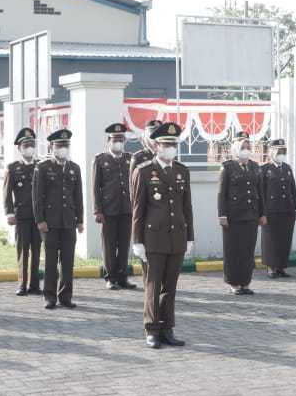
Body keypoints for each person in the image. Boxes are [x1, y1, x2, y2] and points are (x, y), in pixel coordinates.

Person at [130, 121, 193, 347]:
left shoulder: (181, 171)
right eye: (166, 144)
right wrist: (137, 240)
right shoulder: (144, 171)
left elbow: (187, 208)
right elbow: (138, 209)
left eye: (174, 145)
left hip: (176, 236)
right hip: (153, 238)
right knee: (153, 285)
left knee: (170, 286)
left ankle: (167, 328)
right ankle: (152, 329)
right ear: (156, 146)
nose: (170, 149)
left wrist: (190, 237)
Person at [33, 128, 83, 309]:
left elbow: (78, 196)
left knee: (68, 261)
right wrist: (40, 220)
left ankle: (66, 296)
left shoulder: (74, 168)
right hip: (50, 223)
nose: (63, 148)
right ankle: (49, 296)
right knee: (51, 261)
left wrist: (80, 220)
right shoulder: (43, 167)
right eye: (59, 145)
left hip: (68, 221)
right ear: (52, 147)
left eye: (65, 145)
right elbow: (37, 196)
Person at [218, 134, 263, 295]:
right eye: (243, 147)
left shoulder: (255, 167)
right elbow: (222, 194)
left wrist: (262, 213)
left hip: (251, 215)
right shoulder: (228, 167)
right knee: (233, 250)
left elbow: (260, 192)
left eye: (248, 147)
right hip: (233, 216)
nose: (246, 150)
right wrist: (222, 215)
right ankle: (233, 282)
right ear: (235, 149)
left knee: (247, 250)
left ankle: (245, 282)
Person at [93, 122, 136, 290]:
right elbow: (96, 187)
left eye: (120, 139)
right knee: (109, 245)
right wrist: (97, 210)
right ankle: (110, 277)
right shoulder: (100, 160)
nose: (118, 142)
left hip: (126, 208)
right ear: (108, 141)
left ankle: (122, 276)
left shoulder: (129, 159)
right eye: (115, 139)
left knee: (124, 244)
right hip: (108, 209)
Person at [3, 127, 42, 296]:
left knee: (37, 250)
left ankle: (34, 285)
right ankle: (22, 284)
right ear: (19, 148)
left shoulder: (41, 166)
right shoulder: (12, 168)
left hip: (39, 217)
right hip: (21, 216)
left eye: (31, 144)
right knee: (23, 251)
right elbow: (6, 192)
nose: (29, 148)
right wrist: (9, 213)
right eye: (26, 145)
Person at [260, 138, 296, 278]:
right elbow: (261, 193)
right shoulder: (264, 169)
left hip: (287, 209)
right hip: (271, 210)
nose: (281, 154)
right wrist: (262, 212)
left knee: (285, 239)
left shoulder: (287, 168)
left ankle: (281, 267)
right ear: (271, 151)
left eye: (283, 151)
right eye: (278, 151)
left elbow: (292, 189)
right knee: (271, 240)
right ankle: (271, 267)